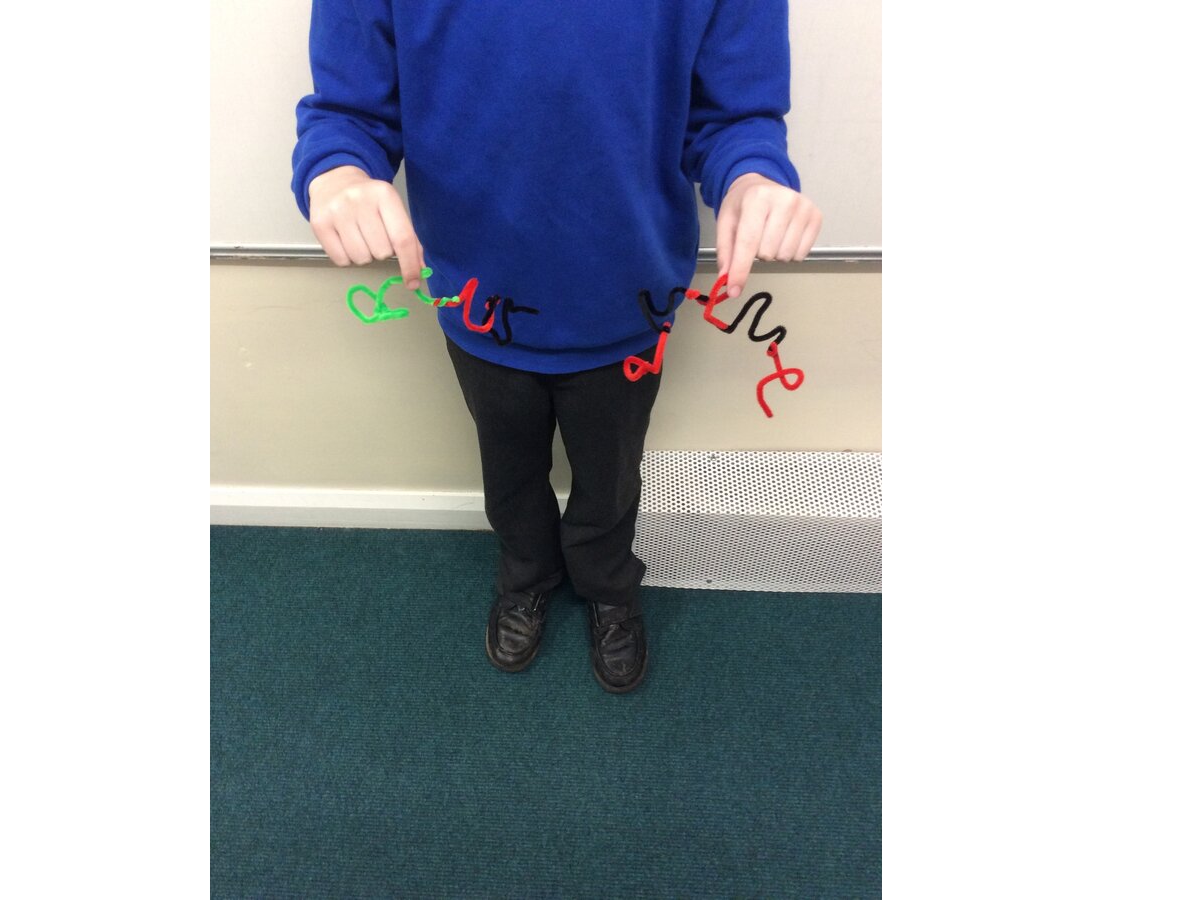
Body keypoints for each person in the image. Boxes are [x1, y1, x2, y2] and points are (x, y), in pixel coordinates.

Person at [292, 0, 821, 693]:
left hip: (626, 296)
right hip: (478, 294)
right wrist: (337, 171)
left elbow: (734, 114)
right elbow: (349, 111)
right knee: (509, 469)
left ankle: (608, 586)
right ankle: (527, 577)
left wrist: (752, 175)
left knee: (611, 475)